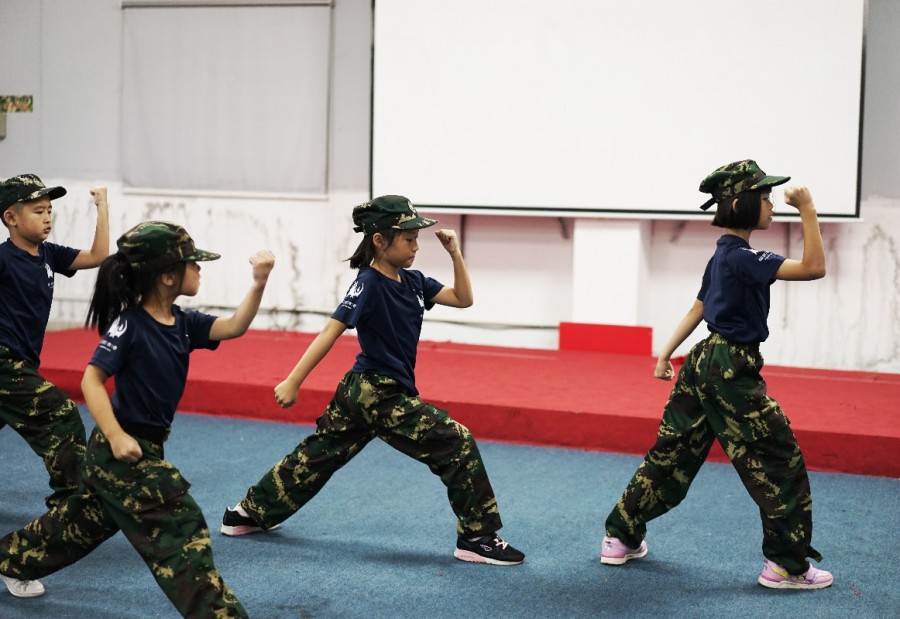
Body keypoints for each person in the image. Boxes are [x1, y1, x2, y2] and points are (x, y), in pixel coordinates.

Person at [221, 195, 525, 566]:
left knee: (317, 456)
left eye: (417, 238)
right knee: (455, 441)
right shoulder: (367, 283)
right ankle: (477, 537)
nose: (415, 246)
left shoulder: (413, 282)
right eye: (407, 238)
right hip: (374, 392)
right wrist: (293, 380)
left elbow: (463, 299)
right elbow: (330, 332)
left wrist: (454, 253)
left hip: (365, 393)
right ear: (379, 241)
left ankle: (247, 513)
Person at [0, 221, 274, 616]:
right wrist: (114, 436)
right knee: (180, 526)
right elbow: (92, 381)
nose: (199, 269)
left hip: (140, 445)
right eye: (192, 263)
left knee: (78, 526)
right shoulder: (130, 325)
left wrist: (259, 283)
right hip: (122, 451)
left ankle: (10, 559)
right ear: (167, 276)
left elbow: (233, 327)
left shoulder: (184, 322)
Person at [599, 160, 833, 589]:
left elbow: (699, 308)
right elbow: (814, 267)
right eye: (764, 199)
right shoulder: (746, 258)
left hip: (701, 361)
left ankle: (620, 535)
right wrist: (809, 209)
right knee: (778, 459)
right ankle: (787, 566)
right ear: (743, 204)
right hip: (730, 367)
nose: (771, 206)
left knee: (672, 454)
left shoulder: (723, 255)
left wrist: (666, 353)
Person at [0, 173, 109, 510]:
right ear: (11, 218)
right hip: (5, 361)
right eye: (38, 211)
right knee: (60, 413)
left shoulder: (49, 255)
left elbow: (98, 256)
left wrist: (102, 207)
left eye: (50, 210)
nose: (48, 217)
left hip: (23, 362)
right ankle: (71, 500)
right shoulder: (3, 259)